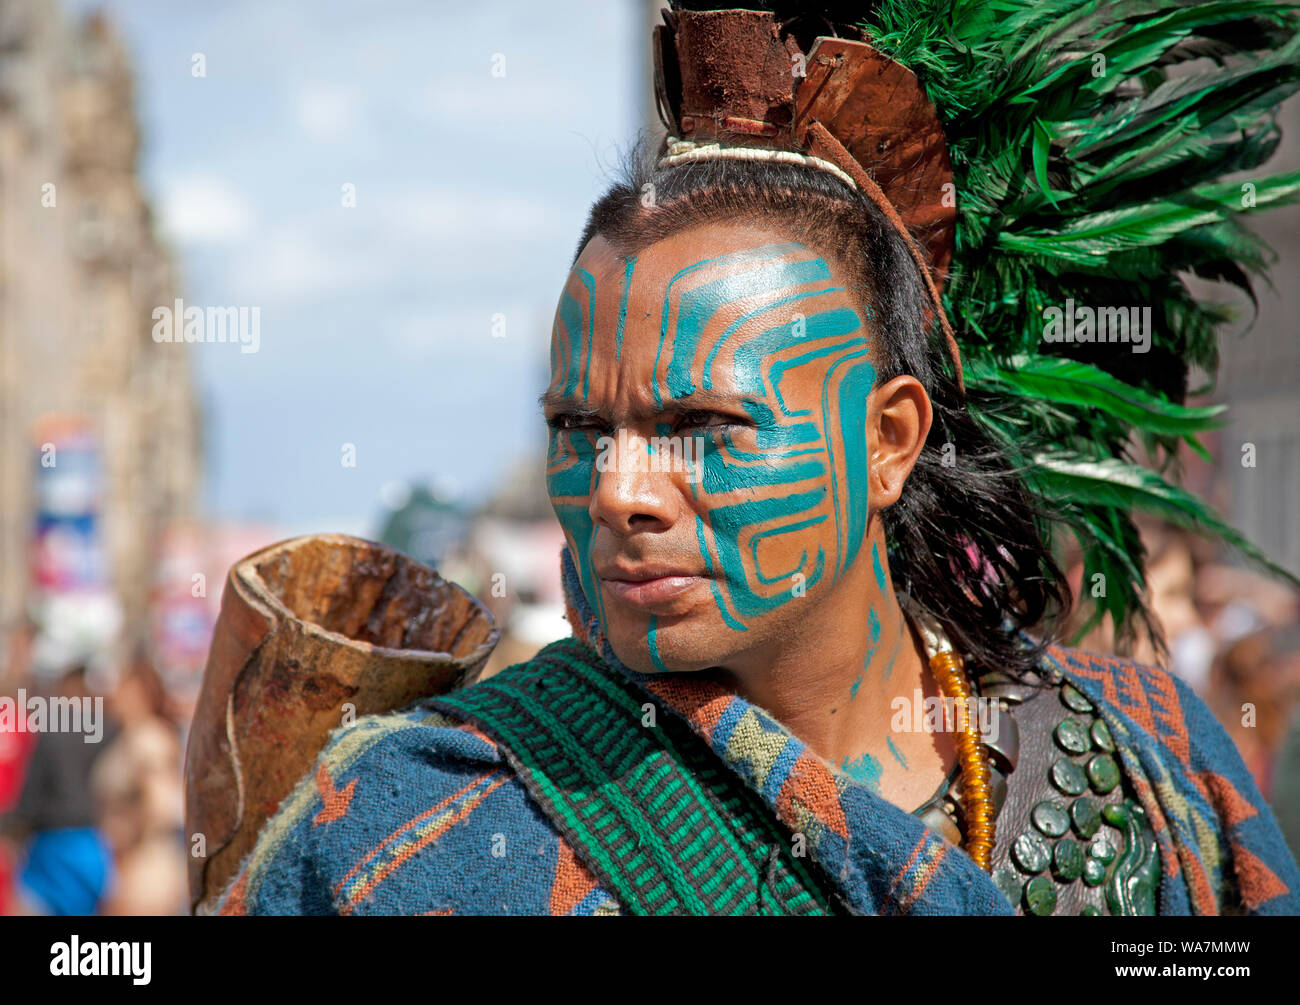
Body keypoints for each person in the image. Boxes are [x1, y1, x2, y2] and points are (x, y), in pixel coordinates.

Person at [211, 2, 1300, 915]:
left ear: (887, 442)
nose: (618, 492)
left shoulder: (1142, 757)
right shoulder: (424, 821)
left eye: (702, 426)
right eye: (579, 430)